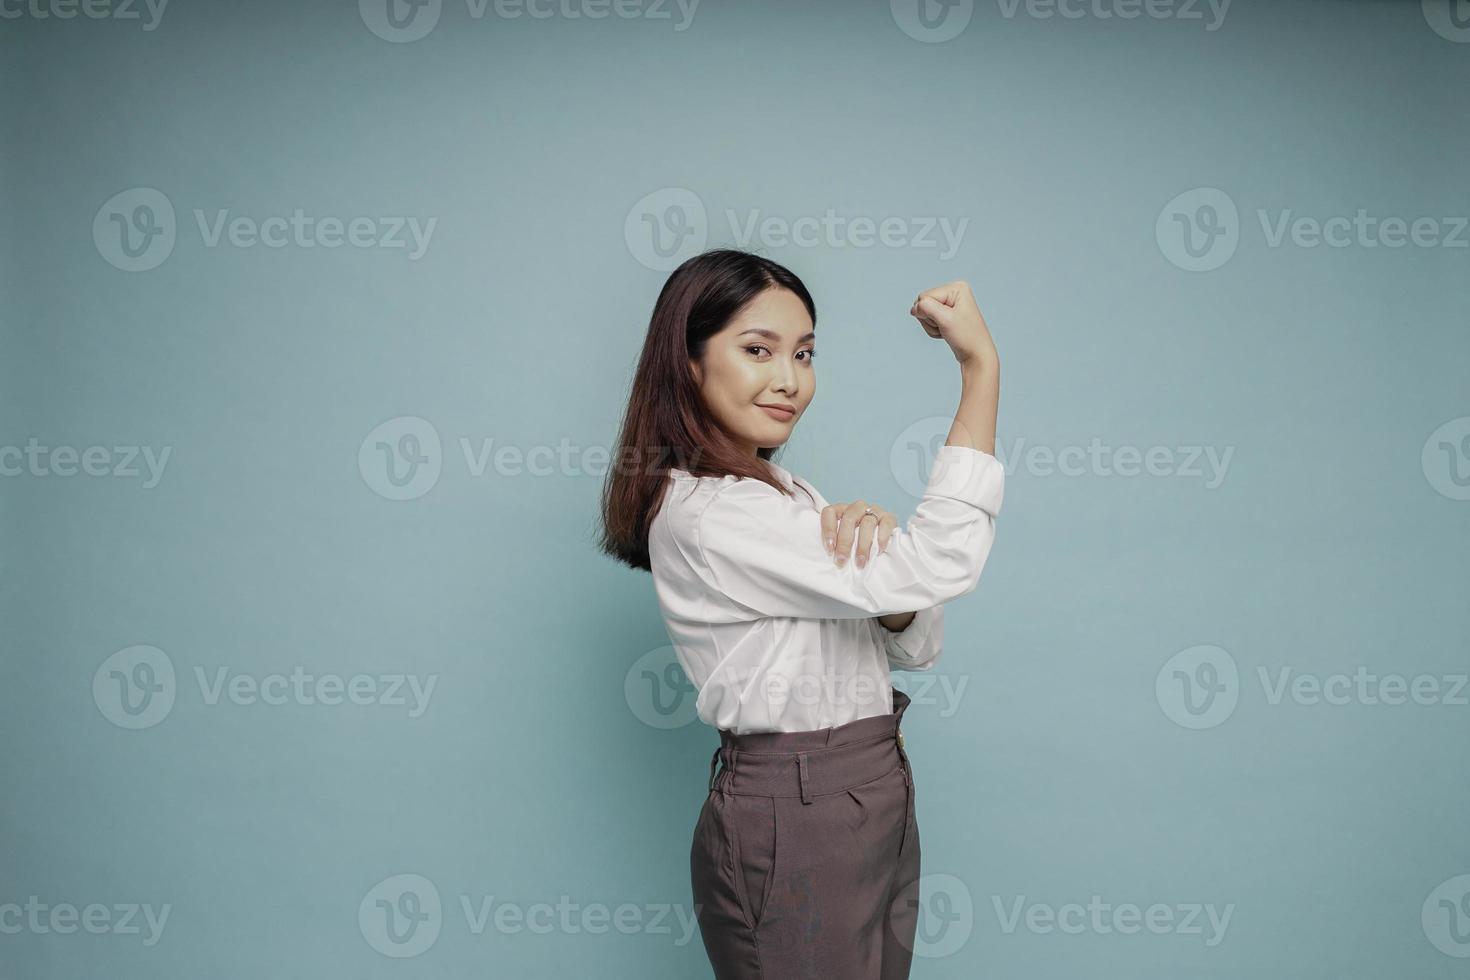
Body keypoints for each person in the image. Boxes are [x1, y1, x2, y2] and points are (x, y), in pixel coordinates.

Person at [598, 248, 1005, 979]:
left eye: (805, 353)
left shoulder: (784, 492)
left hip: (871, 781)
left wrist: (885, 581)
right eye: (758, 350)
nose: (790, 379)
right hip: (800, 804)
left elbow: (912, 645)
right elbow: (944, 562)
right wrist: (980, 370)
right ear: (688, 361)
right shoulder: (709, 511)